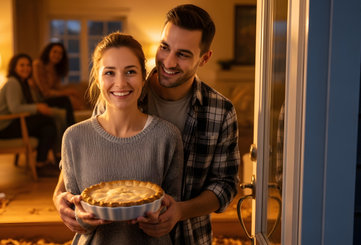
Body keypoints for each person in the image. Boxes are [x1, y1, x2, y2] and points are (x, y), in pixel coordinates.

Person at [53, 4, 240, 244]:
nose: (168, 62)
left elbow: (225, 184)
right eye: (165, 47)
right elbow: (79, 159)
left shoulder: (221, 112)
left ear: (204, 58)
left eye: (182, 54)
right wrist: (59, 198)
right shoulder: (123, 93)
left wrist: (180, 211)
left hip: (188, 236)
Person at [59, 33, 184, 244]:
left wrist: (160, 221)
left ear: (143, 77)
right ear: (97, 79)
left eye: (130, 72)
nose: (120, 82)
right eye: (109, 72)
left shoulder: (167, 136)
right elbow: (75, 210)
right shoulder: (74, 137)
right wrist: (82, 218)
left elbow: (171, 206)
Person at [0, 53, 57, 167]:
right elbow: (15, 108)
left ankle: (40, 163)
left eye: (28, 65)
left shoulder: (23, 83)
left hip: (13, 122)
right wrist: (38, 107)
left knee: (48, 128)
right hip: (3, 126)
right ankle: (45, 160)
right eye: (22, 65)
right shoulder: (13, 82)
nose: (26, 68)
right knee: (47, 120)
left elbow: (30, 102)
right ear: (14, 67)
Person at [32, 42, 84, 113]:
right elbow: (46, 92)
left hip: (51, 97)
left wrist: (70, 91)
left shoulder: (55, 68)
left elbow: (57, 89)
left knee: (74, 96)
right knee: (68, 100)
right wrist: (67, 92)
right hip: (39, 99)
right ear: (48, 52)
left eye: (60, 53)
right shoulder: (38, 64)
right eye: (55, 52)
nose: (57, 55)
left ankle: (83, 115)